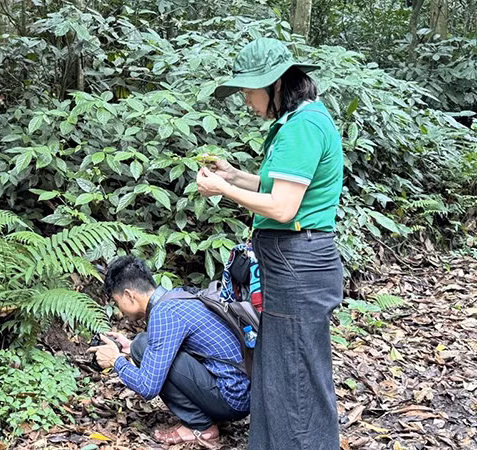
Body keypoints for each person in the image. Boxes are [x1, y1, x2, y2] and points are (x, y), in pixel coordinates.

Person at [197, 37, 344, 449]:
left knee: (296, 377)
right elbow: (276, 184)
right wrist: (233, 175)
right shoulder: (299, 123)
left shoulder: (303, 127)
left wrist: (222, 191)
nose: (245, 100)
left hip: (299, 264)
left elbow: (281, 207)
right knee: (280, 369)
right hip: (291, 264)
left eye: (248, 90)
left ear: (276, 83)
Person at [88, 256, 250, 448]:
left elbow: (147, 387)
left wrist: (115, 361)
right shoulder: (177, 297)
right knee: (140, 344)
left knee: (142, 345)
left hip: (231, 399)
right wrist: (129, 347)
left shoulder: (163, 314)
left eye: (117, 302)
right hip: (242, 392)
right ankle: (207, 416)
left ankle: (201, 427)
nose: (119, 310)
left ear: (129, 295)